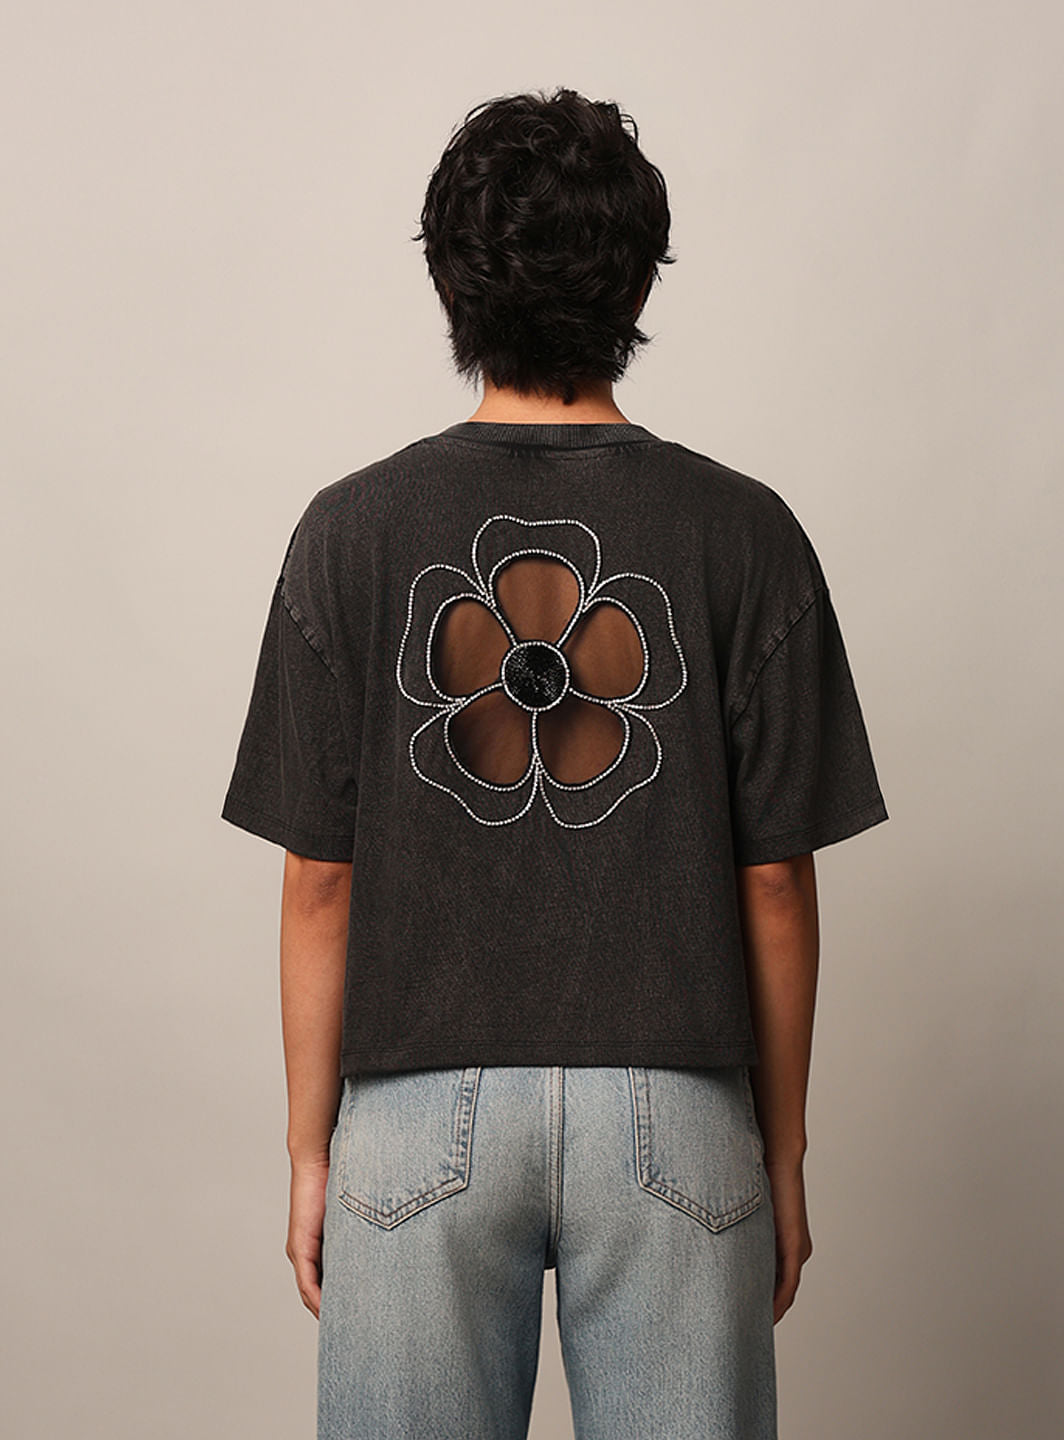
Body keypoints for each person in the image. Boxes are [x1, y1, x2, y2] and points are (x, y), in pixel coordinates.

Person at [221, 86, 888, 1440]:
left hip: (415, 1106)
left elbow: (320, 882)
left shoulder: (348, 533)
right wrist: (784, 1149)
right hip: (677, 1107)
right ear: (639, 279)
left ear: (448, 279)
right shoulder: (746, 533)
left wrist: (308, 1151)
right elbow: (774, 884)